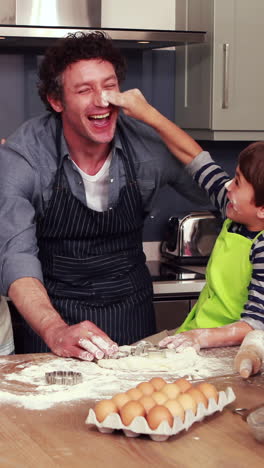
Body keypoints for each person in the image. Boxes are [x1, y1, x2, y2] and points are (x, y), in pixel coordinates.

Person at [0, 32, 208, 360]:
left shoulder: (147, 149)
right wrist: (55, 330)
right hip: (54, 324)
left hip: (132, 317)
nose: (102, 101)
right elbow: (16, 256)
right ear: (57, 101)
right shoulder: (24, 156)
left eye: (109, 86)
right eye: (84, 90)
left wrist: (154, 118)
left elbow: (213, 191)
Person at [102, 88, 264, 351]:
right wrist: (148, 114)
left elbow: (256, 323)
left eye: (237, 182)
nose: (228, 187)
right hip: (197, 337)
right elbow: (195, 159)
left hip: (228, 355)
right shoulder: (232, 209)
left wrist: (201, 337)